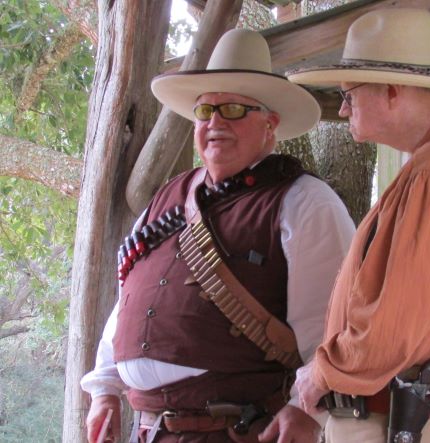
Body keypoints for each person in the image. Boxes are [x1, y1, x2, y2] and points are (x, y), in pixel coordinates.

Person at [80, 28, 355, 443]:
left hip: (240, 430)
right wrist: (104, 388)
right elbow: (129, 303)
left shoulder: (305, 201)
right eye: (206, 110)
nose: (215, 122)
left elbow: (332, 327)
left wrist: (307, 411)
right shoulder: (166, 199)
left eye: (234, 109)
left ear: (270, 124)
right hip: (150, 430)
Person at [287, 8, 430, 443]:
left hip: (397, 421)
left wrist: (322, 372)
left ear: (390, 91)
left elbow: (395, 327)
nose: (343, 108)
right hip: (404, 418)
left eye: (349, 94)